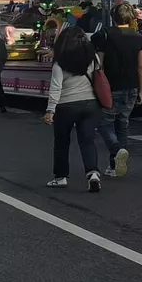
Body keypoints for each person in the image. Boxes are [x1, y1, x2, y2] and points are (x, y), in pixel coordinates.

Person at [44, 26, 104, 192]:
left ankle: (61, 177)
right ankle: (93, 173)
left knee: (62, 142)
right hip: (90, 103)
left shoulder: (60, 62)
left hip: (66, 105)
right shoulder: (93, 58)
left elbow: (56, 87)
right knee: (87, 141)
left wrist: (50, 110)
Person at [94, 2, 142, 178]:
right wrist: (141, 90)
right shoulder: (139, 38)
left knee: (103, 123)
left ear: (113, 17)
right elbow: (141, 66)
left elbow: (99, 64)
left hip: (111, 86)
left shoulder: (105, 35)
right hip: (131, 86)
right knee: (122, 124)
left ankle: (117, 150)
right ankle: (115, 167)